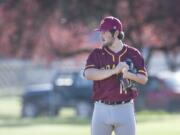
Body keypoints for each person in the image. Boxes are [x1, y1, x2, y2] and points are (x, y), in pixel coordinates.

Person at [84, 16, 148, 135]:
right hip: (101, 108)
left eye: (105, 32)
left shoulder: (133, 53)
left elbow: (143, 79)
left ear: (116, 33)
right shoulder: (97, 53)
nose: (101, 35)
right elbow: (89, 74)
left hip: (125, 108)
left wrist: (129, 74)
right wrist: (114, 70)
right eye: (101, 32)